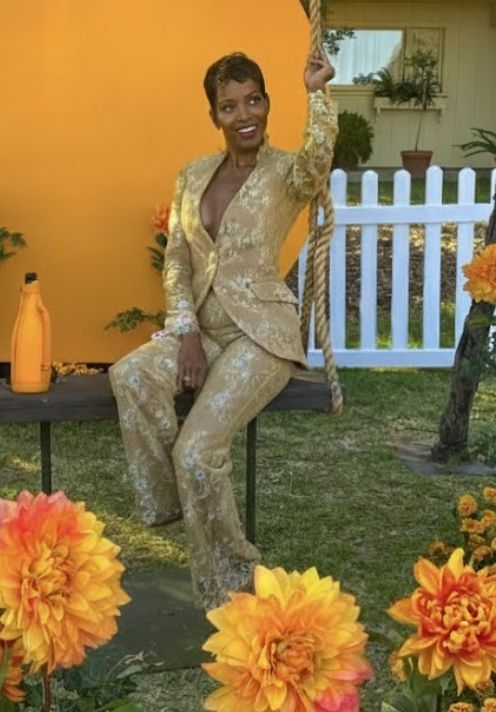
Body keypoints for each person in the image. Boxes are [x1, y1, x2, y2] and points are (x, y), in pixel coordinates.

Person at [109, 47, 338, 609]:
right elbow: (177, 259)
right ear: (214, 115)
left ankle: (234, 588)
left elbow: (318, 159)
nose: (244, 115)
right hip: (202, 332)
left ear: (267, 103)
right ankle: (173, 503)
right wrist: (186, 332)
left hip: (260, 336)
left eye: (253, 100)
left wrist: (319, 95)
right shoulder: (192, 175)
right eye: (229, 105)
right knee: (129, 375)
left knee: (196, 452)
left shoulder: (287, 172)